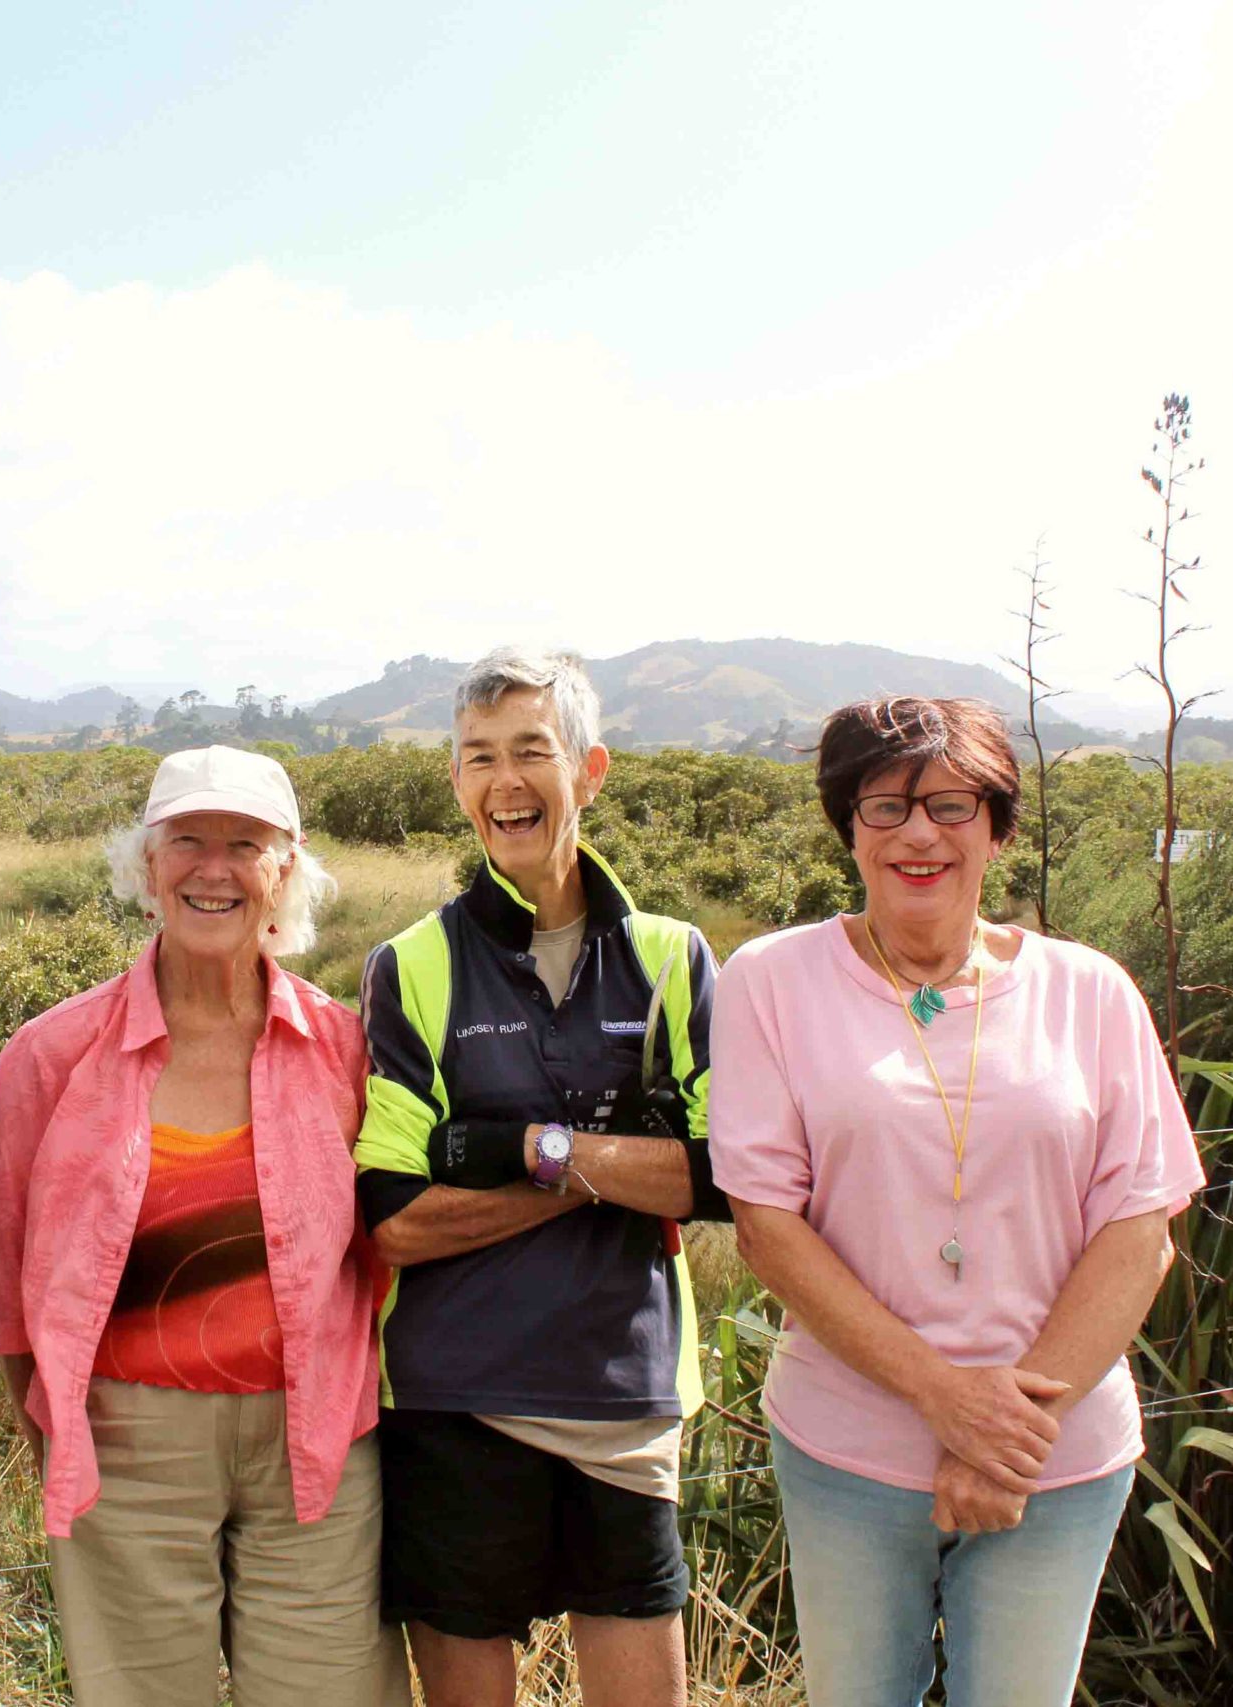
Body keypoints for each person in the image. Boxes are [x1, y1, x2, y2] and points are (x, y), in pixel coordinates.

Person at [707, 695, 1204, 1707]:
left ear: (997, 824)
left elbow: (1140, 1228)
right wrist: (947, 1400)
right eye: (883, 807)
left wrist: (1008, 1434)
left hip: (1054, 1465)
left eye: (949, 803)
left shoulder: (1090, 992)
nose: (918, 832)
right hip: (848, 1454)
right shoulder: (769, 981)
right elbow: (766, 1225)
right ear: (847, 827)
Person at [0, 746, 400, 1707]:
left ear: (285, 871)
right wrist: (59, 1422)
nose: (214, 868)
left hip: (319, 1439)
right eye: (187, 841)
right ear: (147, 863)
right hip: (128, 1439)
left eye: (245, 844)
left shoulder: (346, 1048)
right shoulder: (51, 1056)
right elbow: (11, 1281)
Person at [353, 648, 724, 1707]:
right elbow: (394, 1221)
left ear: (590, 770)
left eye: (531, 751)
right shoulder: (409, 965)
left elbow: (721, 1182)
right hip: (450, 1394)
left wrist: (523, 1147)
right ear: (458, 785)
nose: (504, 781)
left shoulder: (672, 958)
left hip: (627, 1396)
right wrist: (610, 1163)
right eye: (479, 758)